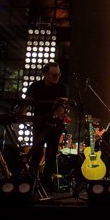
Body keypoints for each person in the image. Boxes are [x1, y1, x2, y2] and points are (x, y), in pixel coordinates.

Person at [25, 62, 70, 190]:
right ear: (45, 74)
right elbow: (26, 103)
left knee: (51, 155)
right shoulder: (35, 86)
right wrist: (20, 113)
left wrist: (55, 115)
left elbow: (63, 106)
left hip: (55, 126)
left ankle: (45, 185)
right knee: (36, 154)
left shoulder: (62, 87)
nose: (57, 77)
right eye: (54, 75)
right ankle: (30, 183)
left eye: (59, 75)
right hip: (39, 125)